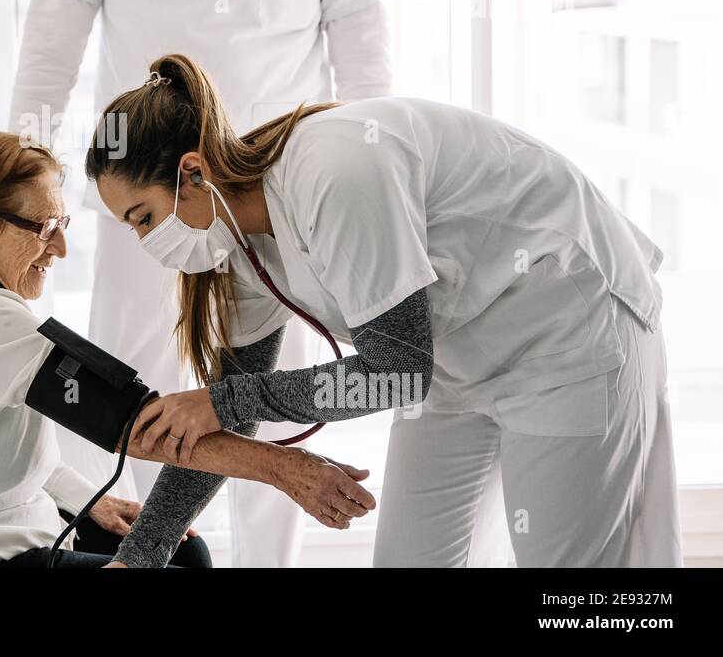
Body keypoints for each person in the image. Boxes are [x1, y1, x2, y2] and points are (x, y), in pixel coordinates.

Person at [9, 0, 395, 566]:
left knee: (263, 389)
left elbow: (365, 58)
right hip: (144, 187)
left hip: (272, 195)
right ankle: (153, 551)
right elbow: (49, 46)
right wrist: (23, 178)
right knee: (127, 367)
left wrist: (373, 185)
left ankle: (269, 561)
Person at [87, 54, 681, 568]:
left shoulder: (332, 171)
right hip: (456, 363)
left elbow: (395, 369)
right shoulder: (237, 243)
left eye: (143, 217)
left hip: (568, 329)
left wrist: (222, 401)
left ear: (191, 172)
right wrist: (142, 555)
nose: (147, 242)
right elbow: (223, 417)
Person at [0, 129, 374, 567]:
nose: (62, 248)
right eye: (44, 228)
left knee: (185, 555)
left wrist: (86, 502)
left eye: (63, 224)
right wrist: (286, 469)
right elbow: (132, 424)